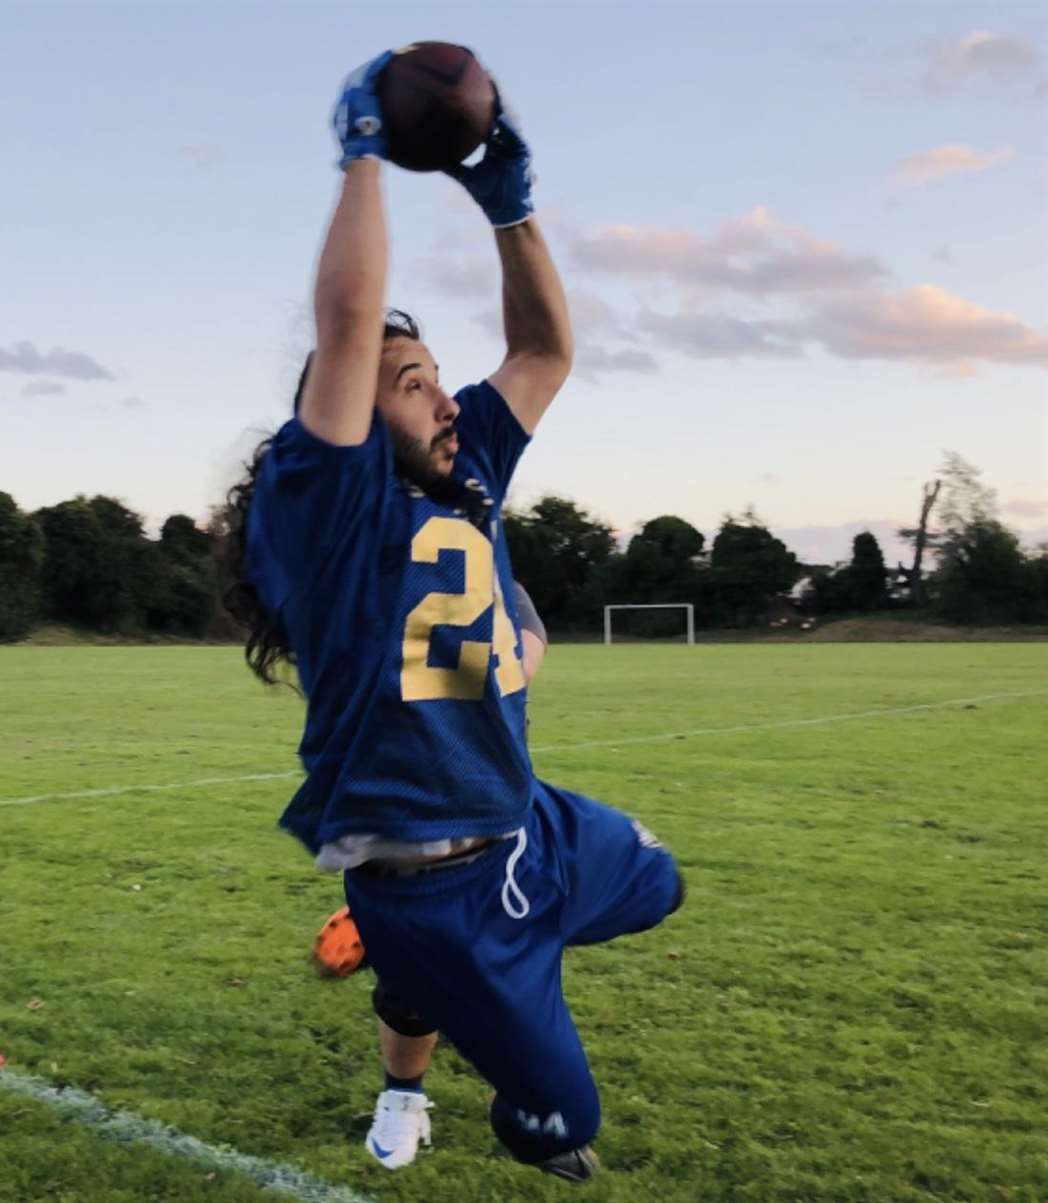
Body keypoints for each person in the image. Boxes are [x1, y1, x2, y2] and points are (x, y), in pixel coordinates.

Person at [225, 50, 683, 1182]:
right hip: (442, 881)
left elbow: (544, 351)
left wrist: (510, 208)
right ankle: (430, 1002)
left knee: (662, 880)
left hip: (531, 823)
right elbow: (345, 327)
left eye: (433, 370)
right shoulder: (331, 503)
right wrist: (366, 157)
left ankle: (432, 965)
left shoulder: (463, 468)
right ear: (340, 416)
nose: (441, 391)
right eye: (410, 380)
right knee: (561, 1124)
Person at [312, 582, 549, 1170]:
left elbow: (519, 662)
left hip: (491, 816)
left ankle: (529, 1098)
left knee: (509, 970)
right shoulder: (362, 581)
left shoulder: (498, 583)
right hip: (399, 817)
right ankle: (403, 1098)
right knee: (410, 987)